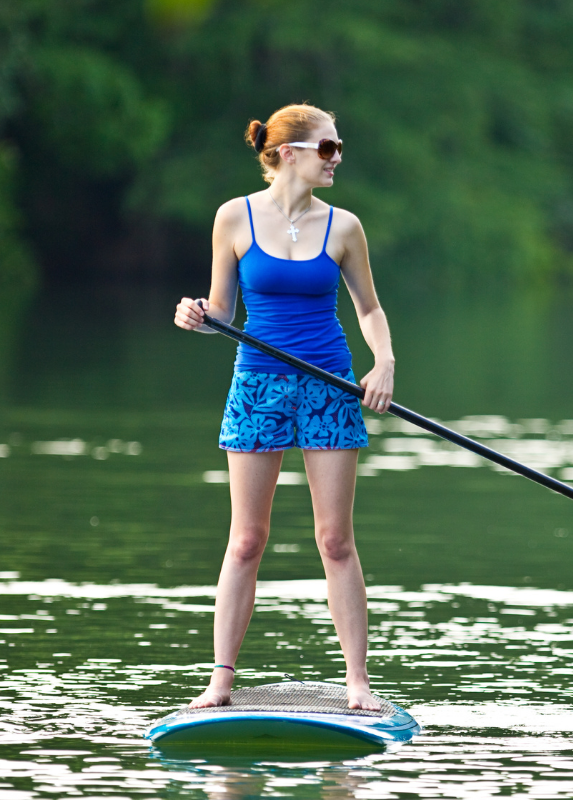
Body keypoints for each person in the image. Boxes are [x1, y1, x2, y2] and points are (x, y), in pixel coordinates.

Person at [173, 104, 394, 710]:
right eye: (329, 148)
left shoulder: (344, 227)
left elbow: (368, 309)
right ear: (290, 153)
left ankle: (358, 684)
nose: (338, 158)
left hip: (329, 386)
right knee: (245, 540)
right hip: (258, 387)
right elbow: (222, 314)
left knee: (335, 541)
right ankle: (221, 680)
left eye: (339, 147)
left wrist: (384, 363)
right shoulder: (233, 218)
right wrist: (195, 316)